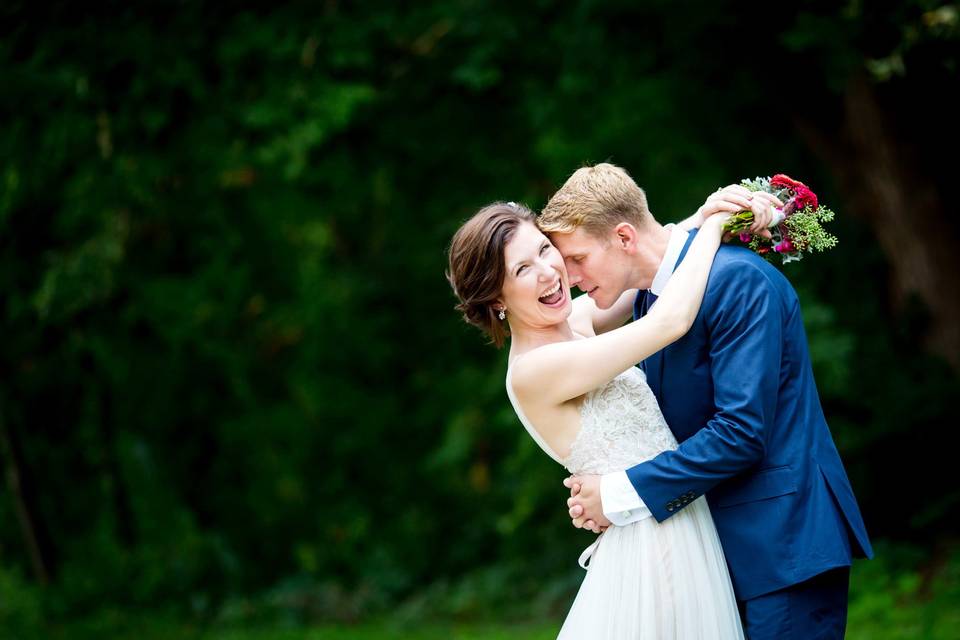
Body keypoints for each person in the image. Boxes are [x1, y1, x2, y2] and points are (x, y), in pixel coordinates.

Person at [544, 163, 873, 639]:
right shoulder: (652, 302)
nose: (570, 277)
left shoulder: (737, 281)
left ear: (622, 237)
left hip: (783, 548)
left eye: (576, 259)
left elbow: (740, 433)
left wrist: (616, 494)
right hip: (721, 556)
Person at [446, 192, 767, 638]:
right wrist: (712, 230)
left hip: (678, 522)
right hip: (650, 549)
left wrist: (703, 216)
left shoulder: (577, 324)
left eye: (543, 249)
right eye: (522, 270)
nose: (548, 273)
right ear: (496, 299)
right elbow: (667, 322)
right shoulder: (533, 371)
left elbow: (647, 267)